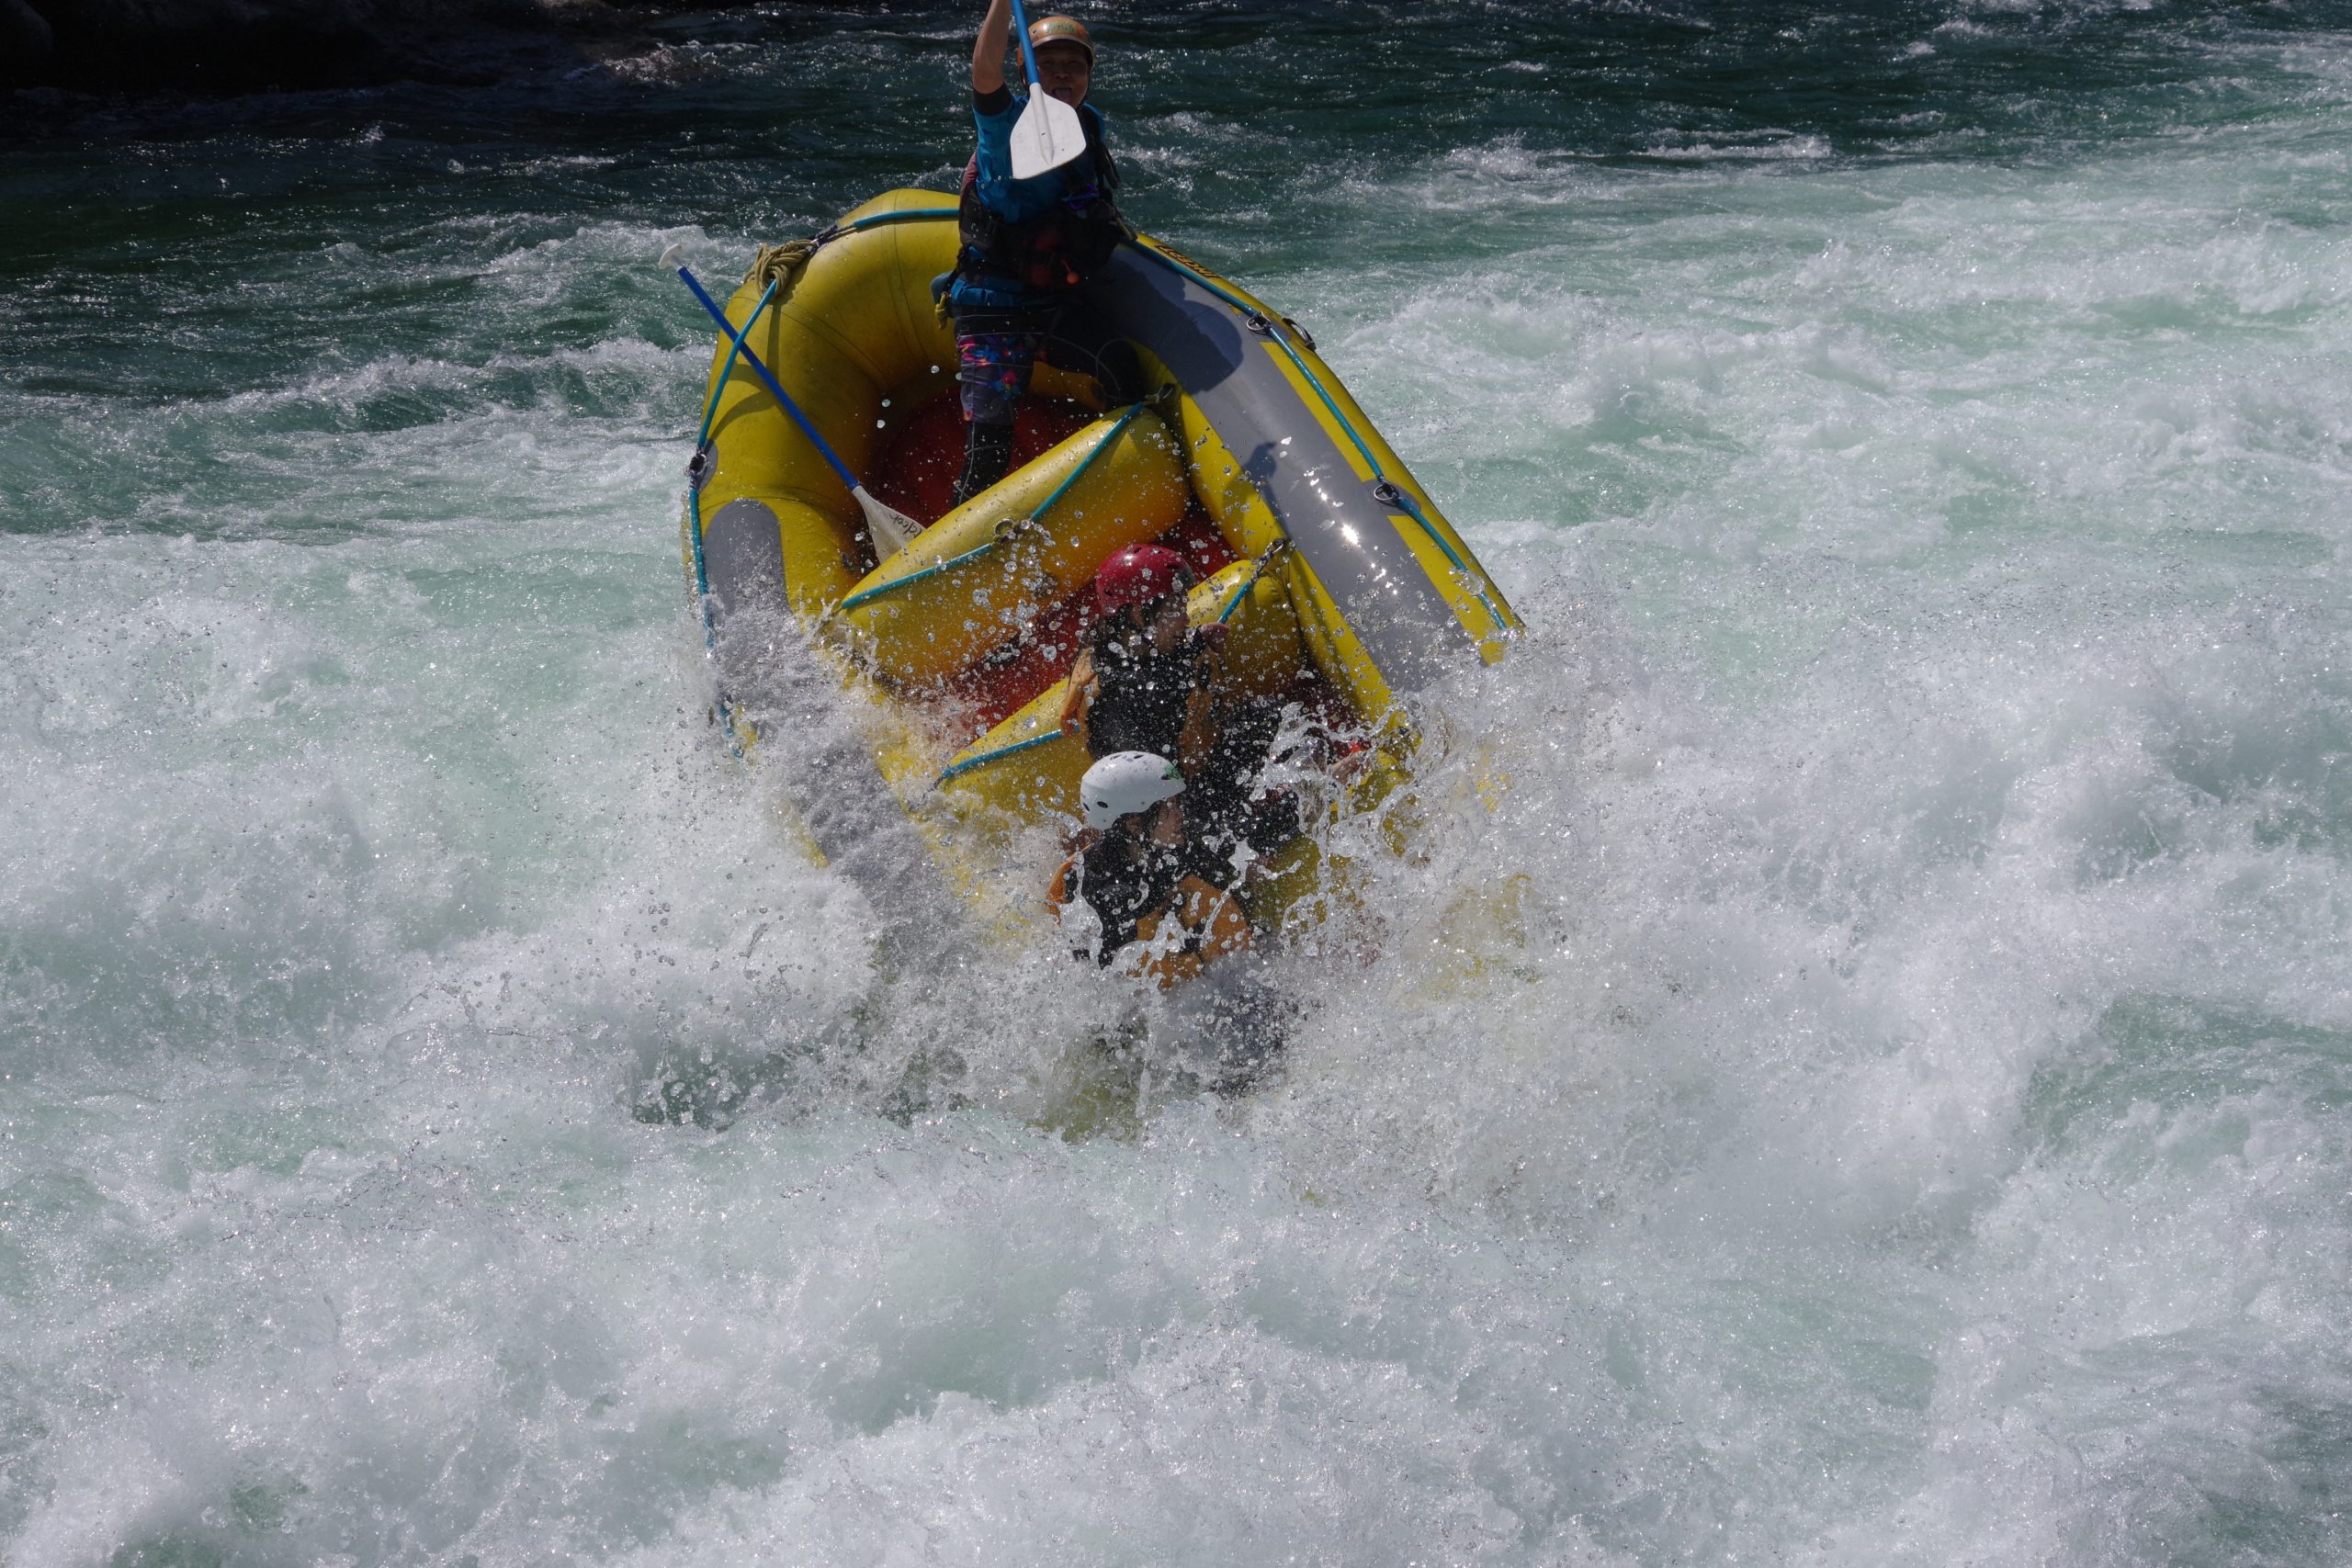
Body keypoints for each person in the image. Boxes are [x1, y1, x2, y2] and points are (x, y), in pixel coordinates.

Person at [943, 0, 1143, 506]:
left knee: (1120, 366)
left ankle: (1109, 493)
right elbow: (984, 74)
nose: (1061, 75)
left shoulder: (1088, 125)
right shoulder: (1004, 123)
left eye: (1074, 66)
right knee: (989, 449)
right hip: (991, 307)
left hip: (1052, 304)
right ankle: (952, 547)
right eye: (1048, 65)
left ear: (1088, 76)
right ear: (1027, 70)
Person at [1062, 544, 1301, 864]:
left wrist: (1195, 641)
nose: (1186, 616)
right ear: (1137, 614)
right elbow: (1158, 800)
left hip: (1185, 767)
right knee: (1228, 837)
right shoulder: (1129, 702)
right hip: (1161, 804)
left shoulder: (1117, 641)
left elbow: (1153, 663)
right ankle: (1311, 800)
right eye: (1176, 608)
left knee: (1267, 714)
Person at [1049, 751, 1251, 988]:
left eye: (1177, 805)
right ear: (1135, 826)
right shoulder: (1098, 893)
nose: (1180, 815)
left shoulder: (1178, 849)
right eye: (1168, 809)